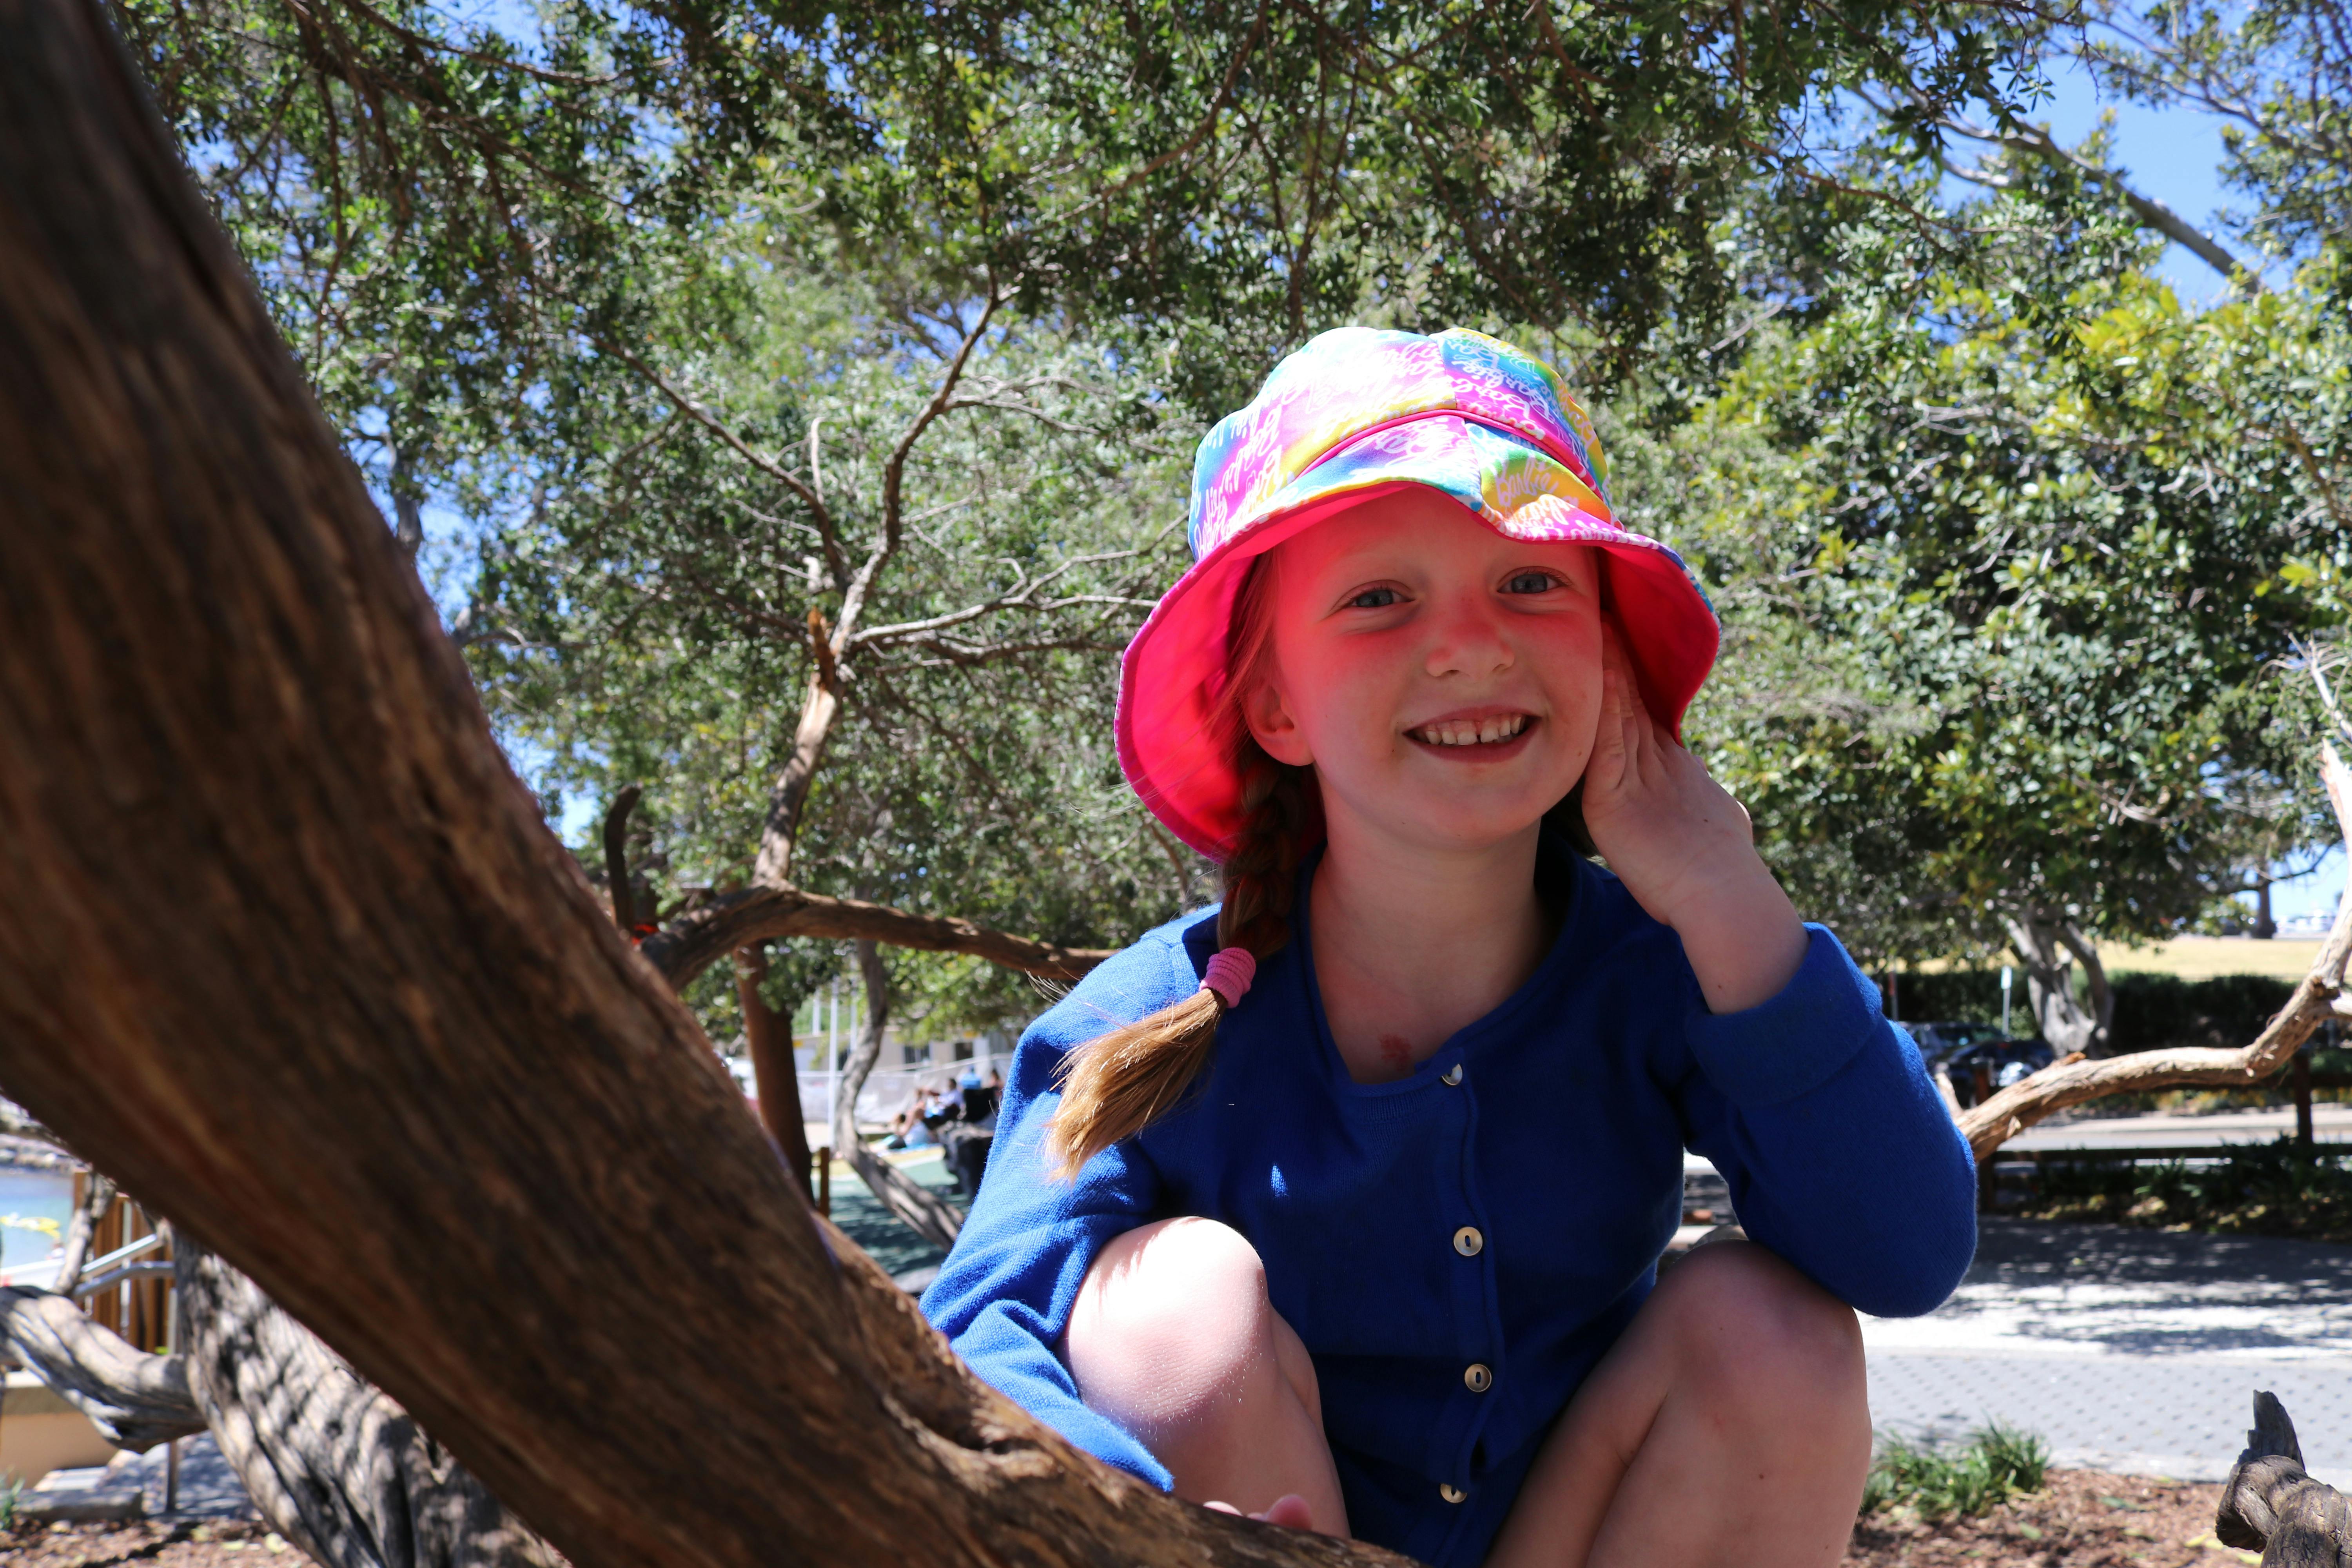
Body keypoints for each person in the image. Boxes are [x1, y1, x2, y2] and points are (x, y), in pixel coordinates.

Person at [920, 328, 1976, 1568]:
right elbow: (982, 1326)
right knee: (1163, 1299)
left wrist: (1723, 889)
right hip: (1254, 1538)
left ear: (1606, 652)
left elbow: (1902, 1256)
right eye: (1380, 598)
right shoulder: (1160, 1007)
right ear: (1275, 708)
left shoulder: (1660, 969)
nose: (1472, 644)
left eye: (1532, 581)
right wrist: (1111, 1511)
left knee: (1770, 1323)